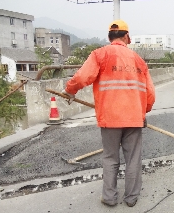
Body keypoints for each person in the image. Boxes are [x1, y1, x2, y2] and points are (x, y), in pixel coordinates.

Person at [62, 20, 155, 207]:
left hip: (110, 118)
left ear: (109, 37)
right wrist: (143, 113)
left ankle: (110, 197)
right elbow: (150, 93)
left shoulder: (100, 54)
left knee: (111, 157)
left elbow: (81, 77)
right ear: (127, 36)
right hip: (134, 118)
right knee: (133, 158)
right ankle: (131, 198)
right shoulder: (139, 60)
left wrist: (70, 90)